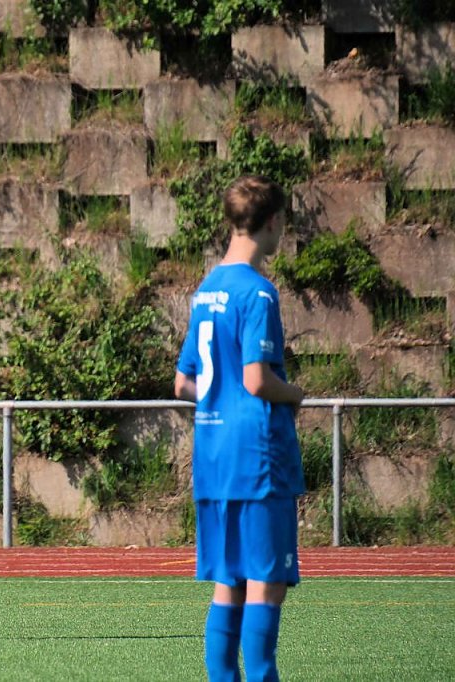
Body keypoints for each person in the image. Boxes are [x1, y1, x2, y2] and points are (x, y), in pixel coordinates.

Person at [174, 175, 306, 681]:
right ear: (272, 223)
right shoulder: (259, 292)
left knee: (228, 581)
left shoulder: (206, 291)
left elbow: (184, 383)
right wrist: (294, 394)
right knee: (266, 581)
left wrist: (221, 398)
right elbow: (257, 379)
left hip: (214, 455)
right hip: (257, 457)